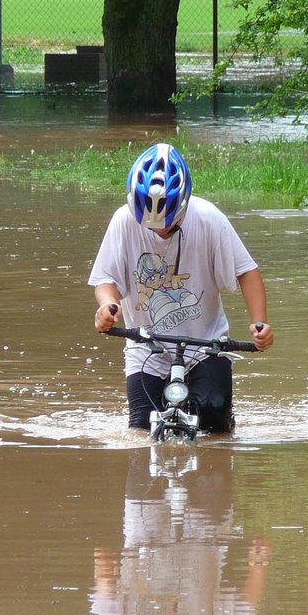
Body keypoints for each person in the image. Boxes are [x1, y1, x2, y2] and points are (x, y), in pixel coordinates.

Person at [90, 142, 274, 433]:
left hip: (206, 346)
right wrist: (107, 307)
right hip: (145, 346)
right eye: (150, 226)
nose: (158, 231)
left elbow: (246, 272)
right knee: (139, 429)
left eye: (168, 224)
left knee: (215, 423)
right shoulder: (123, 222)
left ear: (184, 204)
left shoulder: (209, 219)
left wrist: (260, 323)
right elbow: (106, 279)